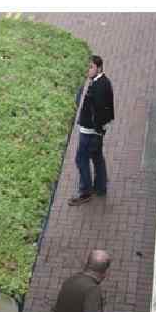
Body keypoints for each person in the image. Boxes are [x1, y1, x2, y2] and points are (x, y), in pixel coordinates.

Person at [69, 55, 115, 206]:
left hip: (90, 131)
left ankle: (85, 192)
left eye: (90, 67)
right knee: (97, 157)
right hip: (96, 131)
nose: (87, 70)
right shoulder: (104, 82)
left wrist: (97, 130)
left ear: (99, 68)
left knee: (81, 159)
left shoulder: (98, 87)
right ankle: (100, 187)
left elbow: (99, 112)